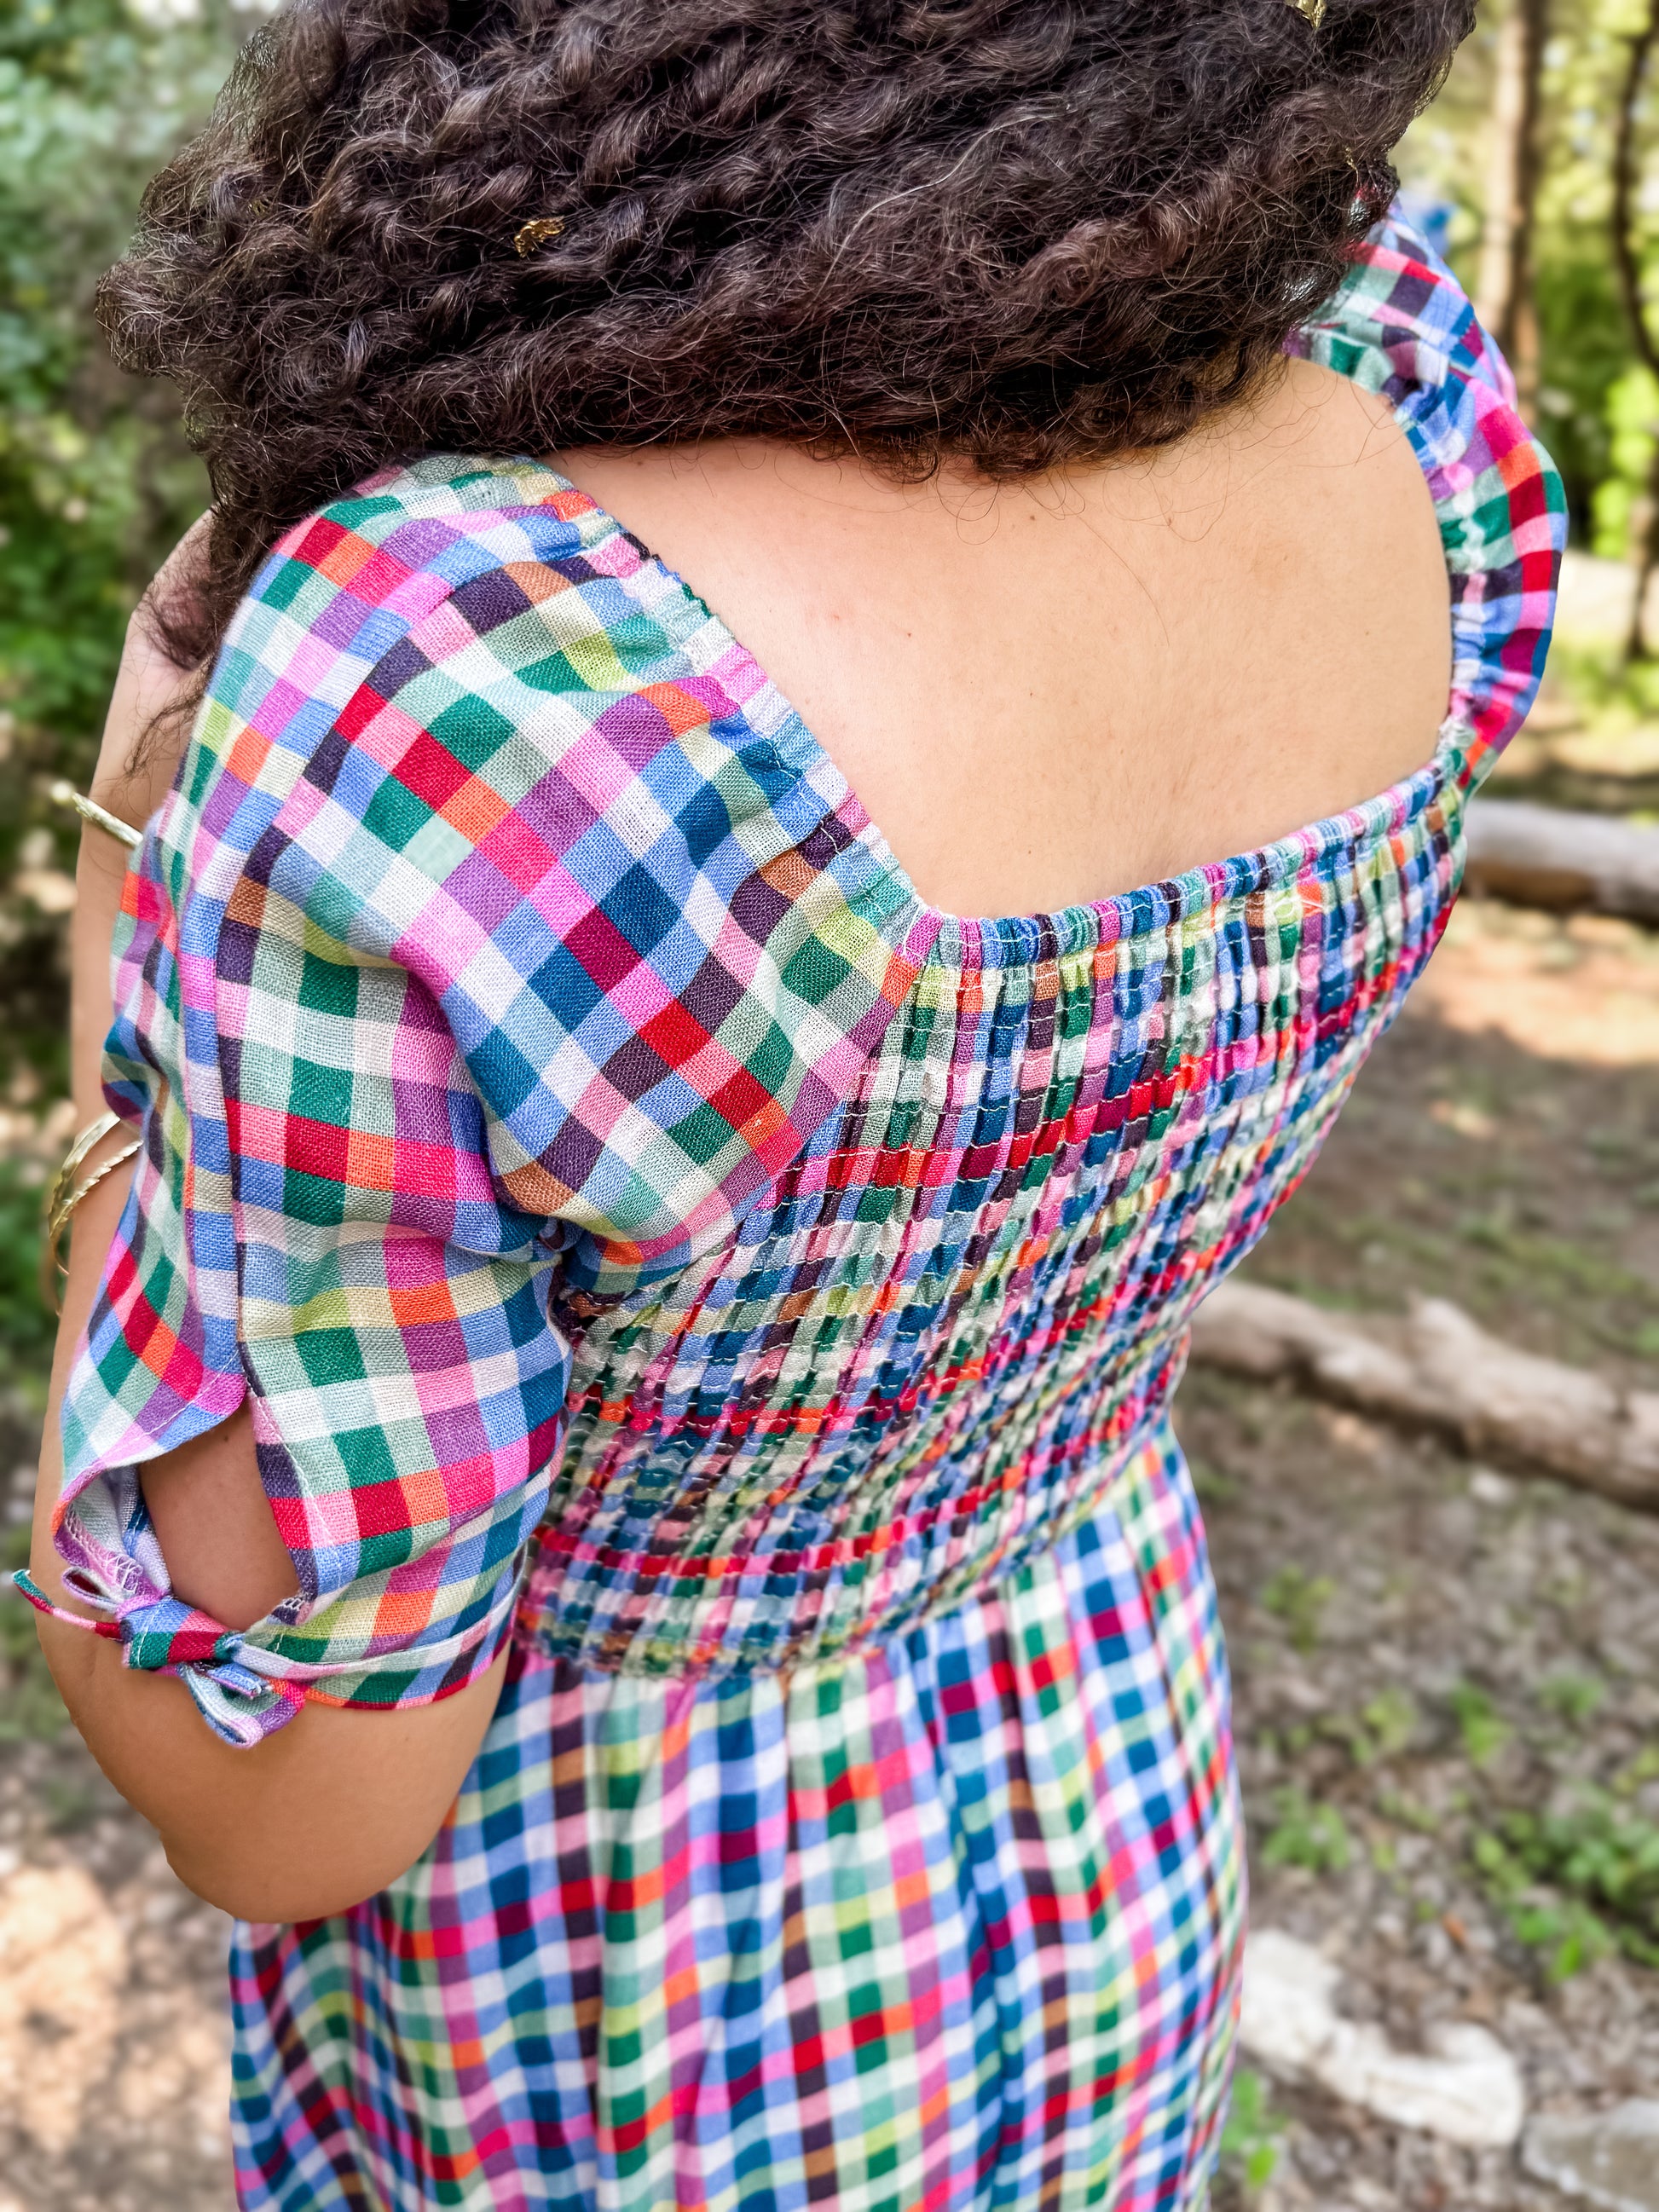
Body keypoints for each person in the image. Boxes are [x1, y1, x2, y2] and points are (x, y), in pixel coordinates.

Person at [24, 2, 1561, 2206]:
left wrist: (128, 888)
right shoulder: (1380, 385)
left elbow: (274, 1801)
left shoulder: (493, 661)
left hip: (621, 2022)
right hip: (1102, 1823)